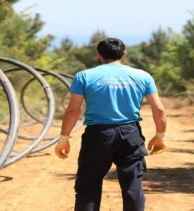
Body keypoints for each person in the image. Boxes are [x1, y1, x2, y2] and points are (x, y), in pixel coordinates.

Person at [54, 38, 167, 211]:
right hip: (131, 135)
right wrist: (160, 136)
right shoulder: (142, 76)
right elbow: (159, 109)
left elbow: (72, 110)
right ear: (123, 54)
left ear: (98, 55)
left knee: (88, 187)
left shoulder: (84, 76)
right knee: (133, 188)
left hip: (98, 136)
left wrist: (63, 139)